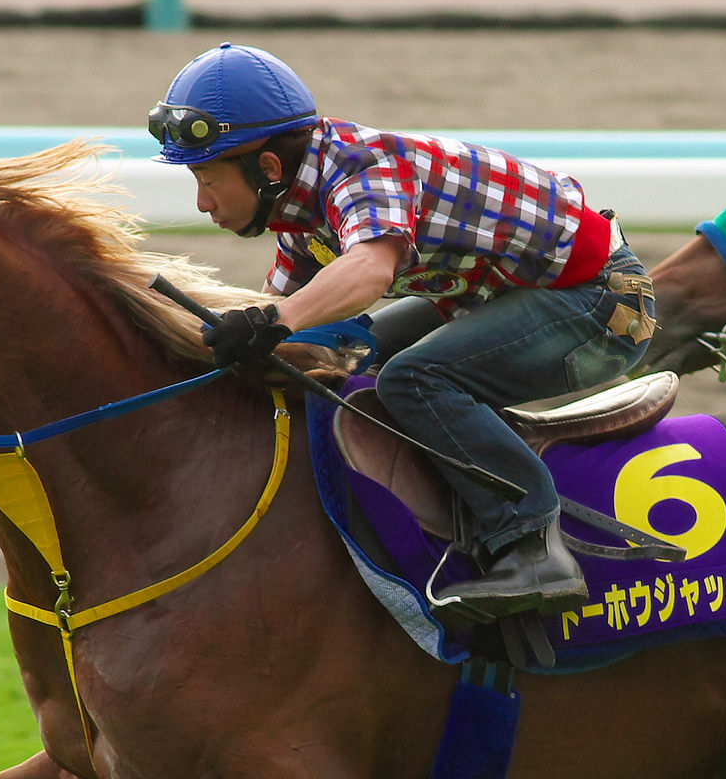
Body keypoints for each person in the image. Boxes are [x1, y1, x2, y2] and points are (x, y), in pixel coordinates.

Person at [149, 42, 657, 615]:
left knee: (413, 379)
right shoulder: (302, 212)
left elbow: (368, 267)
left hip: (600, 305)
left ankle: (534, 550)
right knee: (344, 352)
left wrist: (271, 322)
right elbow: (285, 318)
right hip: (510, 296)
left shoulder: (363, 166)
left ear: (266, 167)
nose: (200, 204)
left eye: (207, 180)